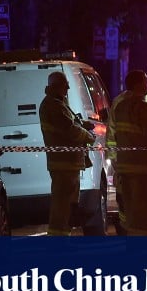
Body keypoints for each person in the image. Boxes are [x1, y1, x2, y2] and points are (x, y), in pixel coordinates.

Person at [111, 70, 147, 236]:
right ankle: (142, 243)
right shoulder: (144, 107)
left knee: (130, 208)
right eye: (145, 82)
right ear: (138, 84)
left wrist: (115, 160)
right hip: (143, 168)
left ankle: (131, 241)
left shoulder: (119, 106)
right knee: (144, 208)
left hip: (125, 167)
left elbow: (114, 133)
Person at [39, 71, 96, 236]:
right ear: (56, 86)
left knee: (68, 206)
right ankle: (59, 240)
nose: (68, 88)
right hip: (64, 163)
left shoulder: (57, 103)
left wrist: (83, 124)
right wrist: (88, 136)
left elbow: (69, 123)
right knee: (63, 206)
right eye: (66, 85)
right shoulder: (53, 105)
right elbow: (69, 129)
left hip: (67, 163)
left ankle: (63, 237)